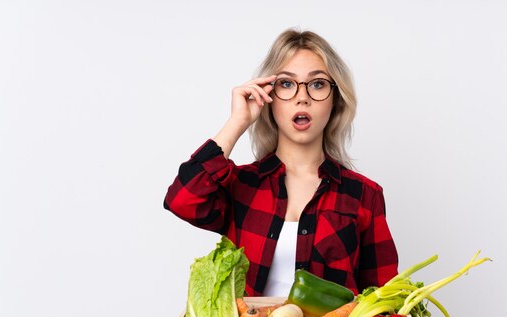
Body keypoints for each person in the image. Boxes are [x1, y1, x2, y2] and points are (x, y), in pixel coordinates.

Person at [164, 29, 398, 297]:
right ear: (269, 98)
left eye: (318, 84)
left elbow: (383, 300)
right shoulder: (241, 186)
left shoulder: (364, 196)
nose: (302, 97)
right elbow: (182, 200)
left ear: (335, 100)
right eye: (286, 84)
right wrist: (237, 122)